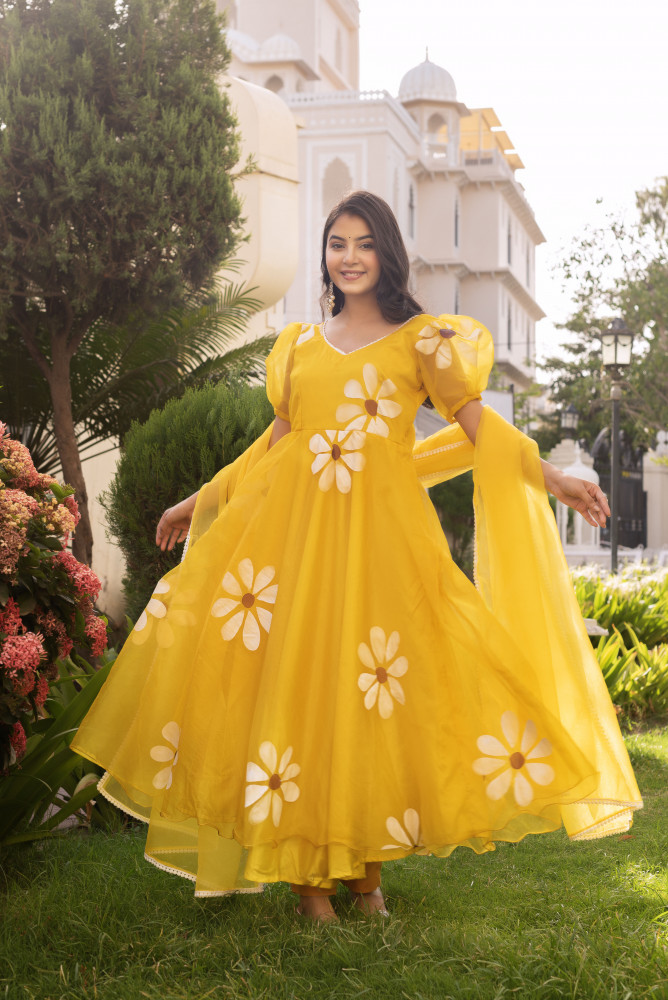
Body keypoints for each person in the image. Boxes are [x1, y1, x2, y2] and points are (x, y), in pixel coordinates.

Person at [72, 191, 642, 925]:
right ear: (325, 255)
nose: (350, 257)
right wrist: (200, 500)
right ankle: (310, 884)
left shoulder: (422, 342)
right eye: (338, 243)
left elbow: (480, 426)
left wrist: (554, 477)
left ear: (387, 254)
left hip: (383, 548)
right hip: (292, 549)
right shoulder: (299, 346)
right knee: (300, 689)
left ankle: (364, 873)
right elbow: (276, 444)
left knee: (375, 696)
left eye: (365, 244)